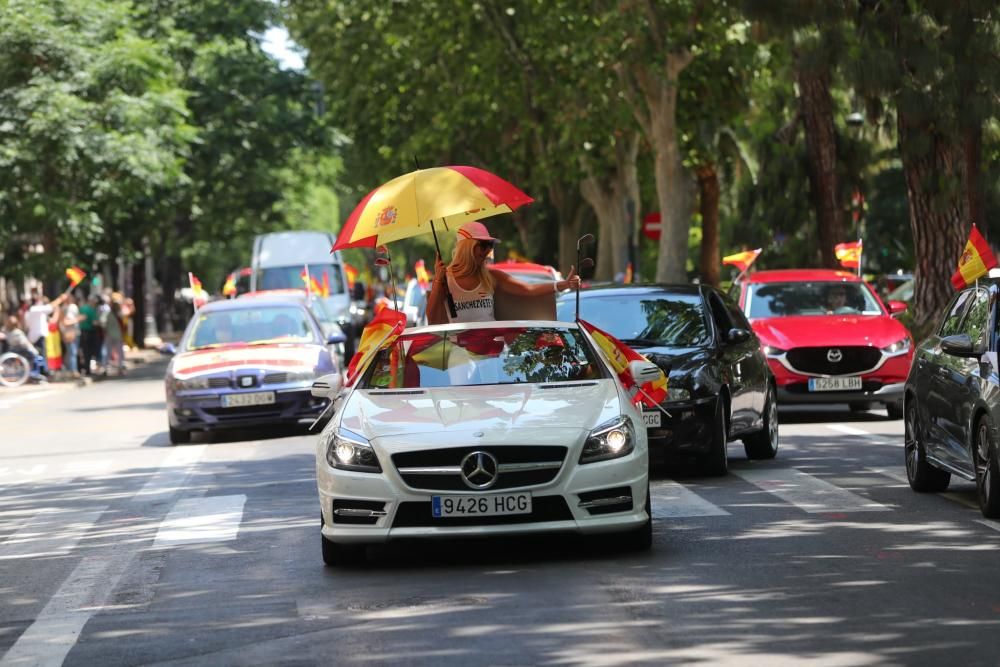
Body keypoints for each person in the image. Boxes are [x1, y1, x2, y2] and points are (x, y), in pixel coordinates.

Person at [426, 221, 580, 325]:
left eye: (490, 245)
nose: (488, 251)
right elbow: (432, 320)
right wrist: (439, 280)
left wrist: (562, 285)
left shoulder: (491, 276)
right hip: (459, 354)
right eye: (483, 245)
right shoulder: (445, 279)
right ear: (467, 247)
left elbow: (527, 289)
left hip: (491, 350)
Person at [25, 291, 68, 377]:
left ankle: (40, 372)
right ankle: (42, 372)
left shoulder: (32, 311)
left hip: (34, 336)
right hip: (38, 336)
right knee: (41, 355)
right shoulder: (35, 309)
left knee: (39, 355)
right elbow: (50, 306)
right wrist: (61, 299)